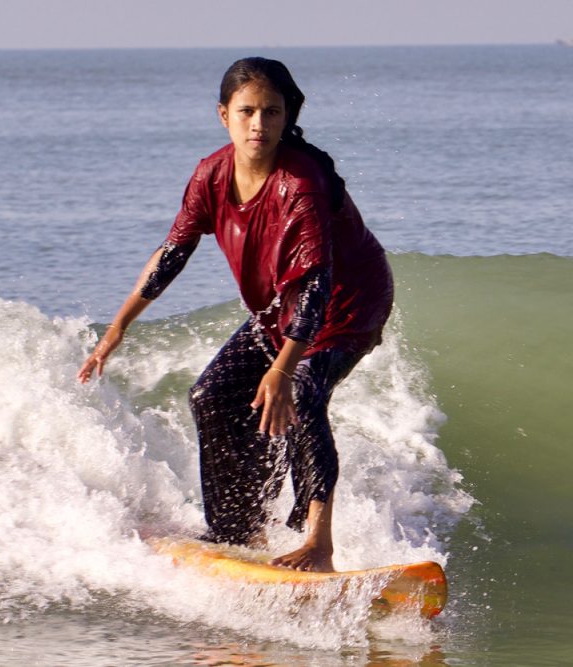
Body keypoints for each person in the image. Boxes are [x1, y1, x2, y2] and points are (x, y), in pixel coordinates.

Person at [77, 57, 393, 572]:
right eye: (247, 111)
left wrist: (284, 366)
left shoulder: (301, 182)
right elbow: (174, 251)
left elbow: (317, 285)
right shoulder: (212, 174)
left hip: (344, 304)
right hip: (280, 309)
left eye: (272, 112)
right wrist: (118, 326)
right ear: (223, 114)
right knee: (211, 396)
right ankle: (237, 530)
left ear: (288, 116)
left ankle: (318, 544)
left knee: (304, 392)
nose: (259, 124)